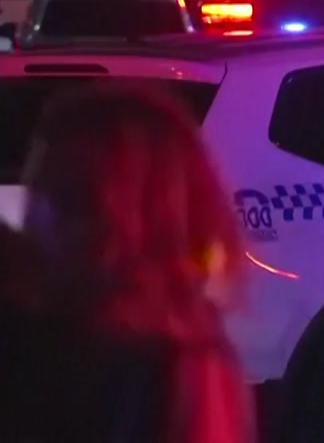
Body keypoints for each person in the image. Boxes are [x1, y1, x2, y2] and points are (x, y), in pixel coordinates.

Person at [0, 82, 253, 443]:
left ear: (130, 217)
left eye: (69, 202)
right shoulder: (187, 353)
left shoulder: (143, 365)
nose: (37, 219)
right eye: (38, 190)